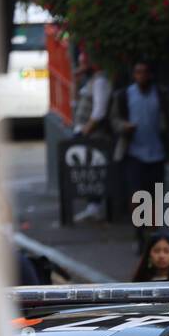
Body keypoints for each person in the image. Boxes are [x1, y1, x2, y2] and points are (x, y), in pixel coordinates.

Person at [109, 61, 169, 251]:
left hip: (157, 154)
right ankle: (138, 233)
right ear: (133, 75)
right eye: (138, 72)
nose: (141, 76)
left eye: (145, 72)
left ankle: (153, 235)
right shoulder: (124, 96)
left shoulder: (161, 94)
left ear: (150, 75)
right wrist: (124, 126)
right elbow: (114, 120)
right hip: (133, 153)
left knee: (155, 198)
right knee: (137, 196)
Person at [71, 51, 112, 223]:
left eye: (83, 63)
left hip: (92, 133)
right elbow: (73, 102)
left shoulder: (100, 81)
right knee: (85, 170)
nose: (81, 66)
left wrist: (85, 132)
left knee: (92, 170)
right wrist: (75, 78)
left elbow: (99, 110)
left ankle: (95, 206)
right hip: (83, 130)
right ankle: (91, 206)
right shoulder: (89, 82)